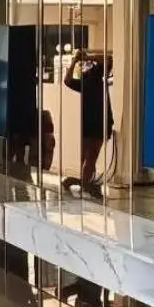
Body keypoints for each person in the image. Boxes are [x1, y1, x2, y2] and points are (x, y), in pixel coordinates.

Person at [62, 49, 113, 201]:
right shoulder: (86, 82)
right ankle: (86, 183)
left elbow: (108, 59)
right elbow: (67, 80)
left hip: (97, 122)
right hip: (92, 122)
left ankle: (86, 184)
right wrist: (77, 60)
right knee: (88, 157)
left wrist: (82, 58)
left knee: (89, 157)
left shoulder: (93, 78)